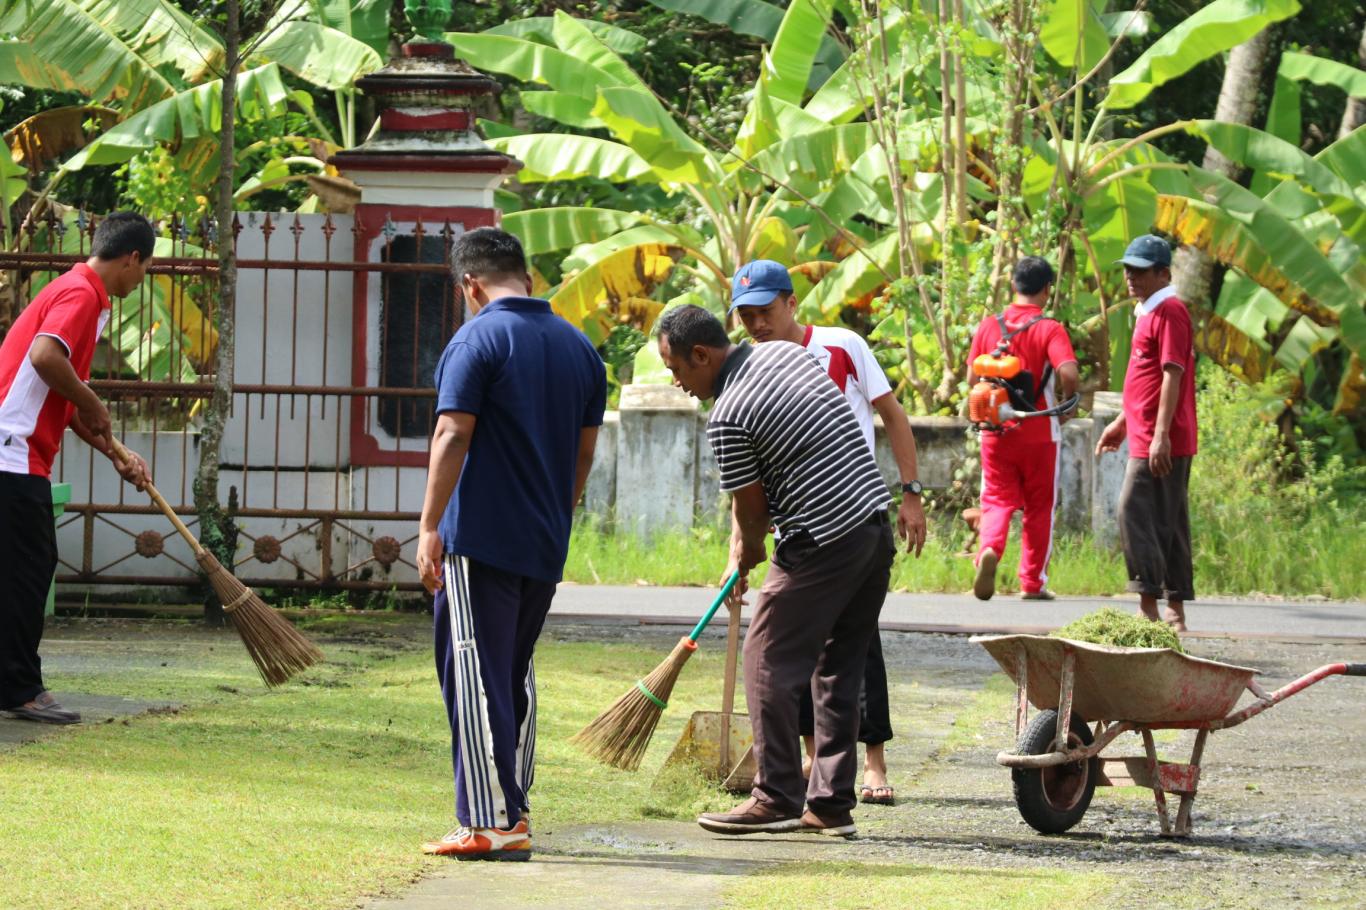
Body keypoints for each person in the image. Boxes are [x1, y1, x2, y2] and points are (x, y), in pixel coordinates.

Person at [657, 304, 895, 839]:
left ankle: (776, 797)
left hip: (822, 538)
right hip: (873, 530)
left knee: (765, 657)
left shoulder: (728, 413)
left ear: (702, 355)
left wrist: (744, 557)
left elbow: (752, 509)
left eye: (677, 370)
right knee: (837, 667)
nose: (678, 384)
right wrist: (746, 548)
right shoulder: (784, 353)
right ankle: (830, 805)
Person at [416, 227, 606, 860]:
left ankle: (488, 819)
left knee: (472, 671)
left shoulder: (477, 338)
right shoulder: (581, 349)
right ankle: (513, 810)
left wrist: (428, 526)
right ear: (526, 276)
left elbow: (451, 433)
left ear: (471, 285)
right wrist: (559, 506)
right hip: (543, 541)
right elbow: (584, 452)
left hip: (480, 539)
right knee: (513, 671)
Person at [727, 259, 926, 806]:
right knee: (803, 654)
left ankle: (874, 761)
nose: (757, 324)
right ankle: (818, 765)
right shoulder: (749, 368)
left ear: (792, 304)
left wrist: (911, 493)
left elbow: (893, 415)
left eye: (765, 311)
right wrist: (736, 551)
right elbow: (749, 476)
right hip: (797, 529)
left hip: (852, 518)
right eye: (745, 316)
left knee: (858, 650)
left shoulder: (841, 346)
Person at [0, 211, 151, 724]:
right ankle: (20, 689)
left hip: (16, 451)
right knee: (28, 570)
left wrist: (117, 452)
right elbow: (45, 357)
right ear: (131, 259)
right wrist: (92, 399)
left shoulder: (78, 290)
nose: (141, 279)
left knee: (20, 569)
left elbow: (64, 403)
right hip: (13, 452)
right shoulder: (82, 294)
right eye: (144, 269)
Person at [1095, 235, 1197, 632]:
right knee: (1167, 518)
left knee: (1133, 511)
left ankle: (1148, 603)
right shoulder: (1147, 311)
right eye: (1128, 269)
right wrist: (1123, 422)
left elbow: (1173, 373)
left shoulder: (1170, 311)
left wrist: (1160, 435)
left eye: (1140, 271)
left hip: (1162, 436)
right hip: (1146, 432)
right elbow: (1145, 379)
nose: (1130, 277)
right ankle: (1173, 610)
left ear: (1163, 274)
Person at [966, 256, 1079, 601]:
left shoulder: (989, 326)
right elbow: (1069, 374)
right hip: (1040, 431)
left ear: (1014, 285)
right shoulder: (1049, 328)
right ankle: (1032, 582)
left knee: (997, 501)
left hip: (995, 430)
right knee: (1039, 506)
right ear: (1047, 289)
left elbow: (972, 379)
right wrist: (1067, 405)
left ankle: (990, 551)